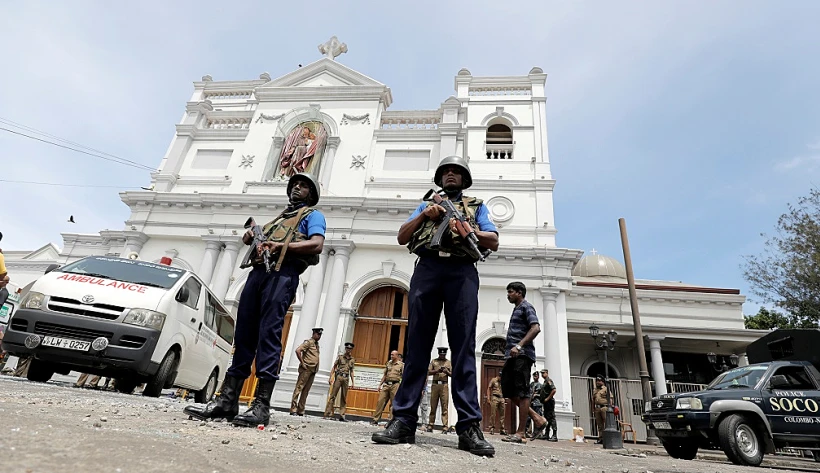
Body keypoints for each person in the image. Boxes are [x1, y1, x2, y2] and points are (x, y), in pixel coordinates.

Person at [372, 156, 499, 457]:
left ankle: (468, 427)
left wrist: (467, 228)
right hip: (428, 269)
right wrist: (426, 215)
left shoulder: (477, 206)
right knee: (416, 346)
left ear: (464, 179)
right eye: (446, 172)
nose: (451, 175)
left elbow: (492, 239)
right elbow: (403, 236)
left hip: (462, 272)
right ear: (439, 179)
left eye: (456, 172)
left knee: (464, 348)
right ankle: (403, 420)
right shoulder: (427, 203)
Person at [184, 172, 326, 427]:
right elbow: (258, 242)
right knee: (244, 336)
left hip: (283, 275)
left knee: (269, 334)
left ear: (311, 194)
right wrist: (251, 238)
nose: (297, 189)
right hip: (257, 275)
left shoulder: (312, 216)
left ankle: (261, 405)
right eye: (294, 185)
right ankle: (227, 401)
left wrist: (280, 247)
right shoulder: (277, 219)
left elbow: (316, 245)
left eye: (303, 186)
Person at [500, 282, 547, 444]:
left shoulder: (527, 307)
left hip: (522, 355)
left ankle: (521, 433)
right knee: (508, 390)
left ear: (519, 293)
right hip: (512, 357)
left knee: (522, 392)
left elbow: (535, 328)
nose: (508, 295)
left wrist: (519, 346)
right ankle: (537, 418)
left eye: (511, 292)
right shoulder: (516, 308)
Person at [290, 327, 323, 416]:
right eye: (318, 334)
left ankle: (301, 410)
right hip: (306, 369)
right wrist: (302, 362)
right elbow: (298, 350)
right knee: (299, 388)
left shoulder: (316, 344)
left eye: (320, 335)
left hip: (313, 370)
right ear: (313, 334)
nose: (319, 336)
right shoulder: (308, 342)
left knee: (306, 390)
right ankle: (293, 409)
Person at [324, 341, 355, 421]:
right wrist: (331, 377)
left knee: (344, 397)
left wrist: (353, 382)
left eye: (350, 349)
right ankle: (327, 413)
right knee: (333, 395)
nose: (348, 350)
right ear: (345, 349)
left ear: (351, 350)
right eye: (347, 348)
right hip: (339, 377)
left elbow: (351, 371)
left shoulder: (352, 359)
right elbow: (334, 367)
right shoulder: (340, 357)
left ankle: (342, 415)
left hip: (346, 378)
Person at [371, 350, 404, 425]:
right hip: (386, 384)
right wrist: (380, 385)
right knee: (380, 401)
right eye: (391, 355)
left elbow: (403, 376)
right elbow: (385, 375)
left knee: (393, 403)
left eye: (393, 355)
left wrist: (402, 387)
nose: (391, 356)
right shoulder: (388, 363)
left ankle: (391, 421)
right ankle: (375, 419)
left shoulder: (401, 365)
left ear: (397, 356)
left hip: (395, 384)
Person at [427, 347, 452, 433]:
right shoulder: (434, 361)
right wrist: (436, 371)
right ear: (438, 353)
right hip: (435, 384)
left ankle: (445, 427)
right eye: (441, 354)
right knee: (433, 405)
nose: (442, 355)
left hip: (444, 385)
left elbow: (453, 374)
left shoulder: (448, 362)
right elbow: (428, 372)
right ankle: (430, 425)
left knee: (444, 406)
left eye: (443, 354)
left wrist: (446, 372)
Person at [539, 369, 558, 442]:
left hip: (549, 402)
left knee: (552, 418)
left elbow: (554, 390)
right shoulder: (545, 381)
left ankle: (554, 435)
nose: (542, 375)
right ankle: (547, 434)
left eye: (543, 373)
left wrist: (547, 398)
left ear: (547, 373)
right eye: (542, 373)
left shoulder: (549, 381)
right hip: (546, 403)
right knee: (547, 418)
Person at [592, 375, 609, 443]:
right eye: (597, 381)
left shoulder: (606, 389)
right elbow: (593, 399)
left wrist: (610, 407)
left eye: (599, 381)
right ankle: (601, 438)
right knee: (599, 425)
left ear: (603, 382)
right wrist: (593, 408)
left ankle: (607, 437)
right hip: (597, 408)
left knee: (606, 423)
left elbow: (610, 399)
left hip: (604, 407)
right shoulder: (595, 390)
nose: (597, 382)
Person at [527, 371, 543, 438]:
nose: (534, 377)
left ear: (538, 377)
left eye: (536, 376)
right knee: (528, 418)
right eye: (534, 376)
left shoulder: (540, 385)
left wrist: (536, 395)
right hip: (531, 403)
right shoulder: (531, 384)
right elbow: (529, 392)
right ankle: (528, 432)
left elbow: (542, 395)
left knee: (537, 418)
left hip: (537, 403)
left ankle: (538, 433)